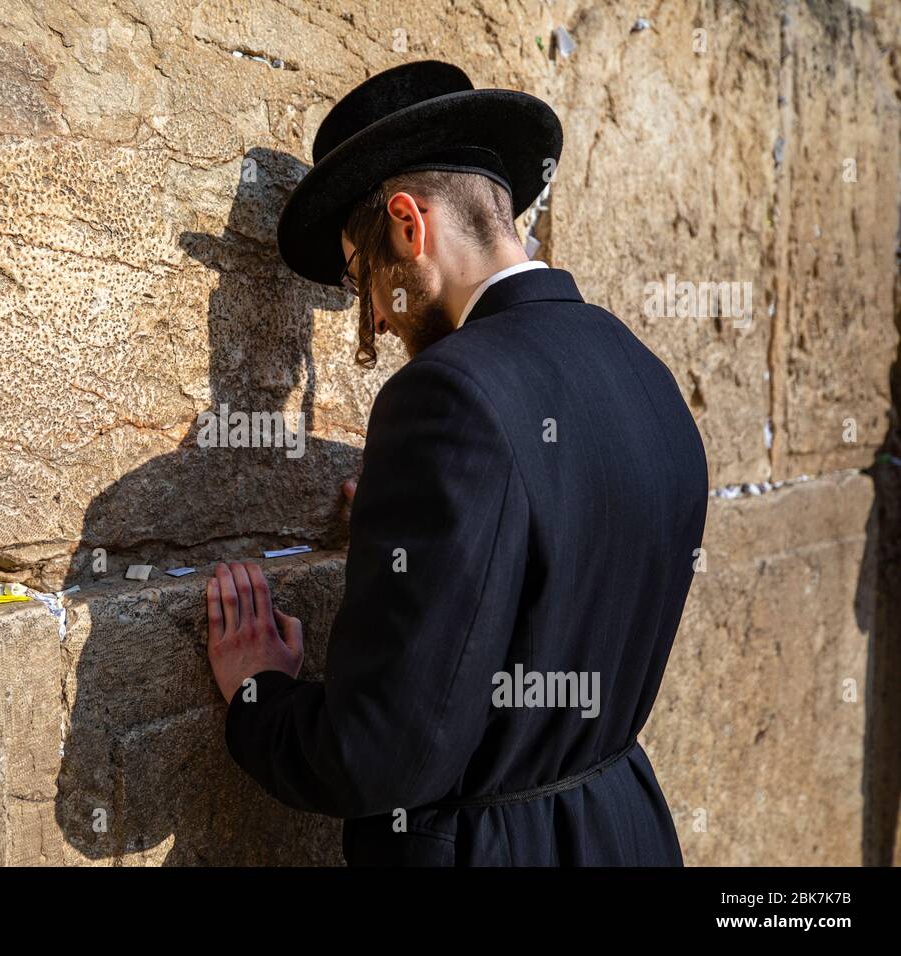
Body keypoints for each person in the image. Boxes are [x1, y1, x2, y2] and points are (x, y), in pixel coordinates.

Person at [204, 60, 709, 865]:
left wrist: (259, 694)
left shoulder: (445, 395)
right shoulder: (639, 368)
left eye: (358, 272)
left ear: (408, 224)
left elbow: (382, 754)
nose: (369, 314)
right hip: (621, 829)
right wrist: (416, 526)